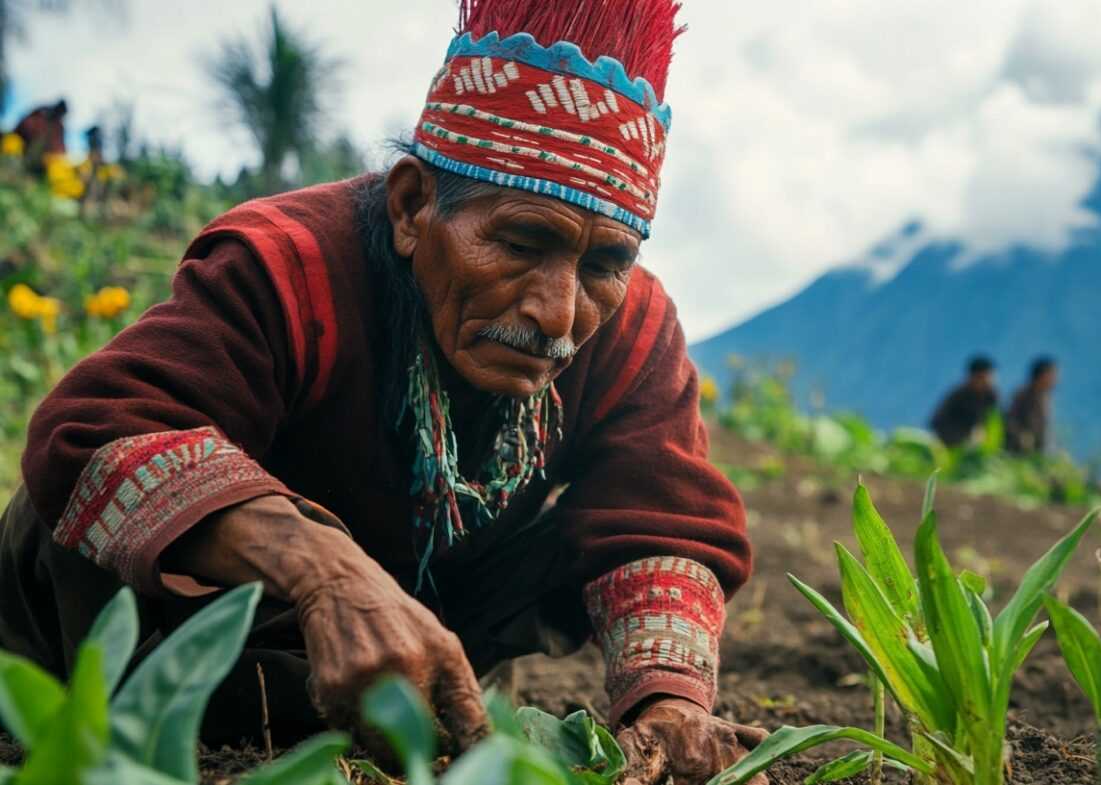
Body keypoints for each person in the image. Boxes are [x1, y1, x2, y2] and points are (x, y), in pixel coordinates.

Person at [0, 2, 767, 782]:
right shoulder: (287, 265)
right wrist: (324, 570)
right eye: (520, 241)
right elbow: (98, 429)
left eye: (604, 263)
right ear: (410, 208)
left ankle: (417, 701)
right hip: (165, 626)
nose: (558, 313)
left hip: (423, 622)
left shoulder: (633, 331)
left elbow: (664, 521)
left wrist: (669, 703)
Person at [929, 355, 998, 447]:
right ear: (973, 377)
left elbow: (993, 420)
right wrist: (965, 436)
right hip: (951, 440)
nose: (988, 381)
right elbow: (937, 422)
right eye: (984, 378)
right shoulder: (958, 395)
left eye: (990, 377)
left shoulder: (991, 395)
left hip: (979, 440)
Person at [1006, 355, 1058, 454]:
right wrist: (1021, 436)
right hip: (1020, 450)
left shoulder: (1045, 396)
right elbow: (1010, 421)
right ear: (1042, 375)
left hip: (1039, 450)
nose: (1056, 380)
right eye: (1053, 375)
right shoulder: (1022, 395)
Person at [12, 99, 68, 169]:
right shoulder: (41, 113)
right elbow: (24, 126)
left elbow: (60, 147)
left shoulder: (59, 127)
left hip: (40, 161)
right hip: (21, 147)